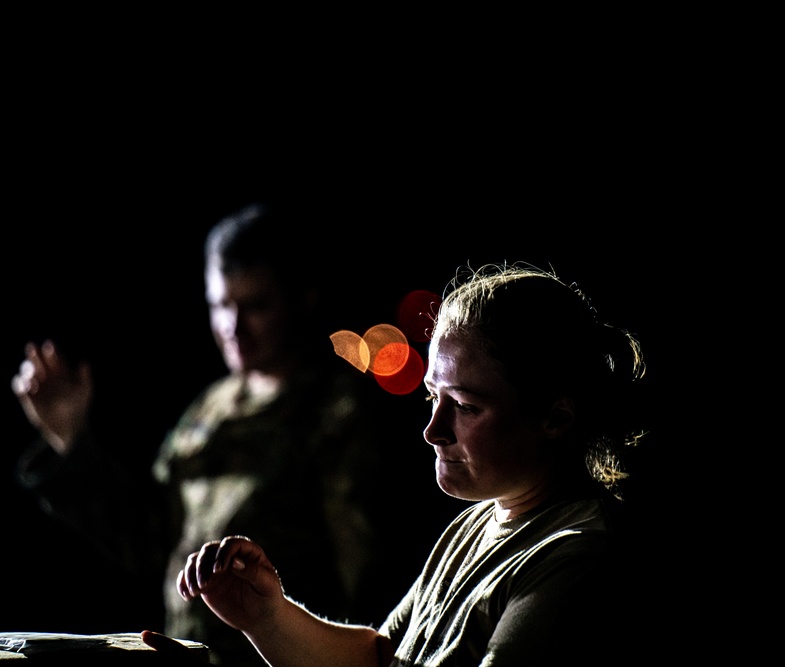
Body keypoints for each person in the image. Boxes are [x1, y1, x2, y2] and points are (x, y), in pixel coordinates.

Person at [142, 261, 652, 666]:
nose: (433, 430)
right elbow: (383, 656)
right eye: (432, 397)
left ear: (556, 418)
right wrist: (266, 616)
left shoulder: (575, 556)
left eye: (466, 406)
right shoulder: (475, 525)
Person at [10, 203, 434, 666]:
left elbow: (369, 580)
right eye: (220, 305)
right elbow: (152, 539)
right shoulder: (212, 408)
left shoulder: (339, 415)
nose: (234, 327)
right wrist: (71, 441)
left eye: (256, 306)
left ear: (302, 299)